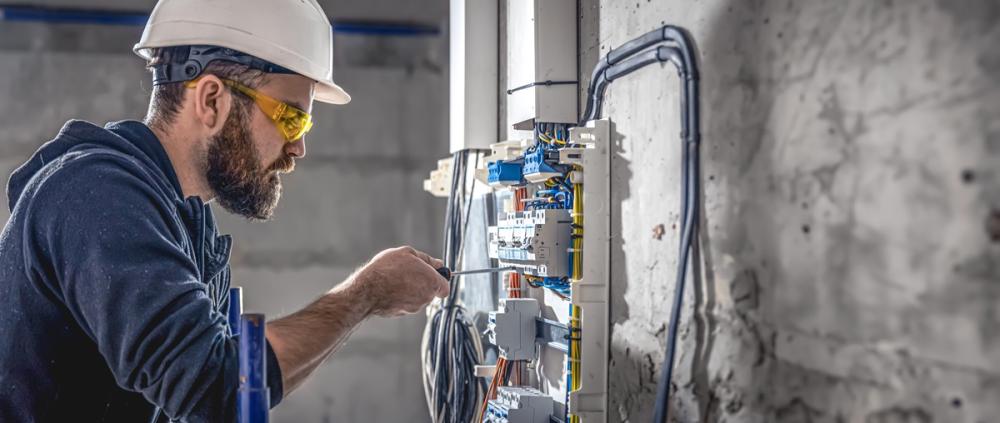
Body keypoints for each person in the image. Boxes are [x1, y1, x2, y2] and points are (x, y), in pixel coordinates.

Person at [0, 0, 449, 421]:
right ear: (212, 99)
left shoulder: (183, 221)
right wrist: (364, 294)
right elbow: (215, 383)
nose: (299, 146)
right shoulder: (97, 195)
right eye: (290, 118)